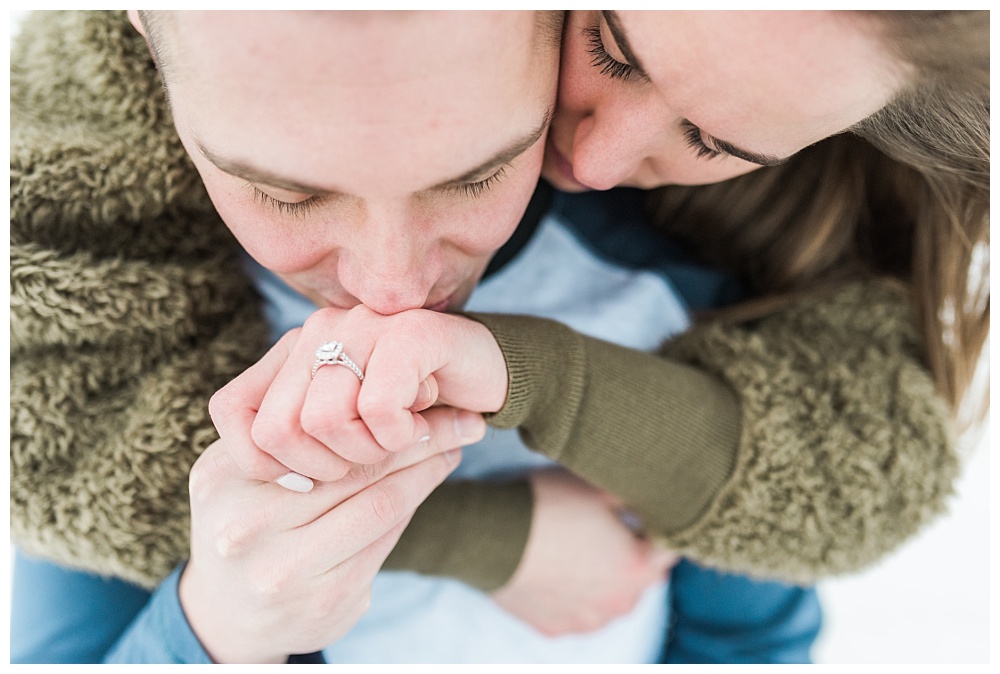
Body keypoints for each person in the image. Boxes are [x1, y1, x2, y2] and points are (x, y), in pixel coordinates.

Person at [9, 6, 986, 661]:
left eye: (482, 173)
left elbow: (761, 613)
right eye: (284, 193)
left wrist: (533, 375)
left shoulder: (686, 284)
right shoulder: (95, 316)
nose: (391, 286)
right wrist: (233, 617)